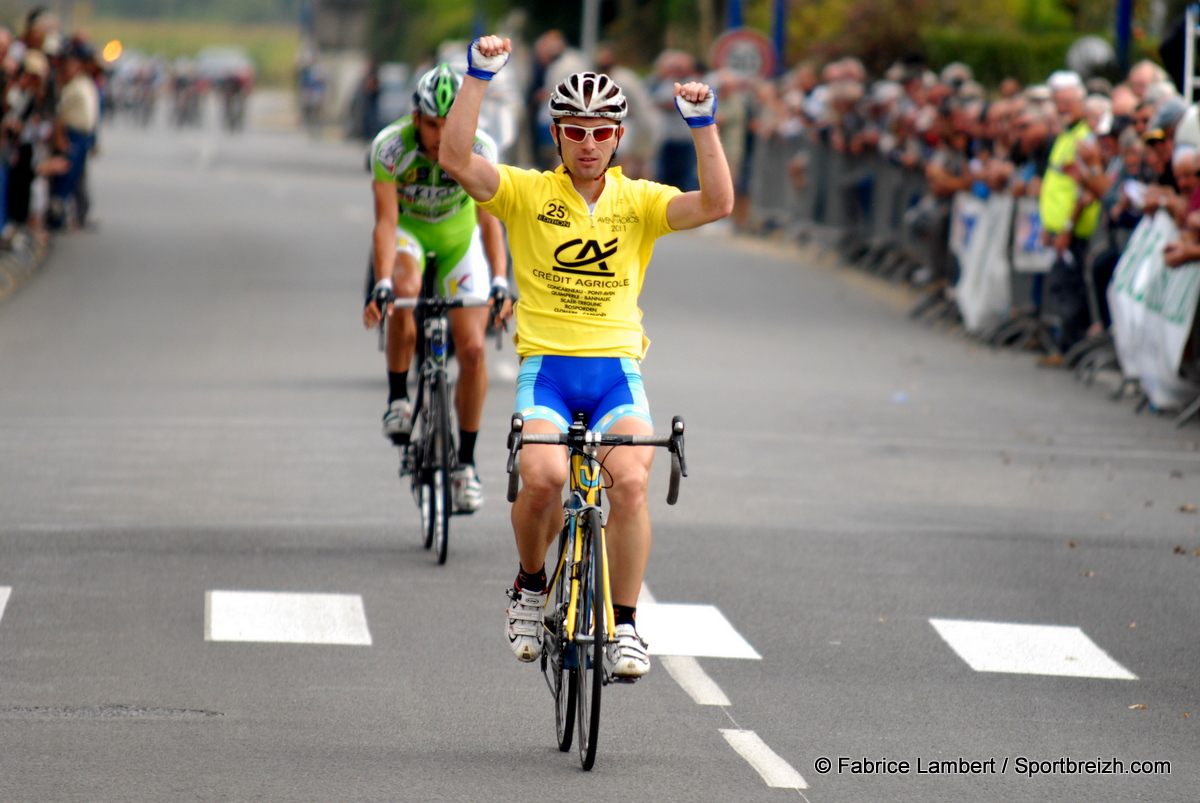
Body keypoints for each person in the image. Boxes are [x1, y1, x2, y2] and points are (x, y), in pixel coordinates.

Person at [440, 35, 733, 679]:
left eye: (601, 131)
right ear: (557, 136)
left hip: (615, 375)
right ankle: (527, 586)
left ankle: (625, 627)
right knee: (543, 479)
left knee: (629, 482)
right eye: (575, 130)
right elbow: (457, 159)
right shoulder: (523, 193)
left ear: (618, 137)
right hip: (547, 370)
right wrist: (478, 76)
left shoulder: (641, 201)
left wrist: (704, 125)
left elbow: (716, 204)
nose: (588, 142)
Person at [362, 64, 511, 513]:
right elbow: (385, 222)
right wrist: (384, 283)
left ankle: (465, 465)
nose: (442, 133)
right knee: (404, 291)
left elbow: (490, 226)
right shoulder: (390, 148)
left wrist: (501, 281)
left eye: (450, 124)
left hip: (457, 240)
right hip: (410, 234)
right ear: (415, 119)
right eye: (432, 124)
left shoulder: (480, 148)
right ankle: (398, 399)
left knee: (473, 351)